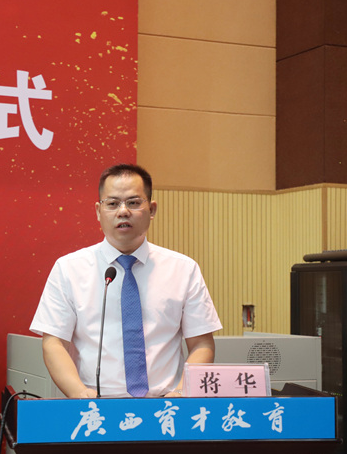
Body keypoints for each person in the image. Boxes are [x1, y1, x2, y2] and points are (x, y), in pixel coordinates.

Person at [30, 163, 221, 398]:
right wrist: (80, 394)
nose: (123, 212)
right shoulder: (69, 269)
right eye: (112, 204)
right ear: (98, 211)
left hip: (166, 407)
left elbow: (202, 344)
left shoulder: (183, 269)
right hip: (95, 406)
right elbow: (54, 343)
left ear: (151, 209)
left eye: (133, 202)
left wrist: (181, 393)